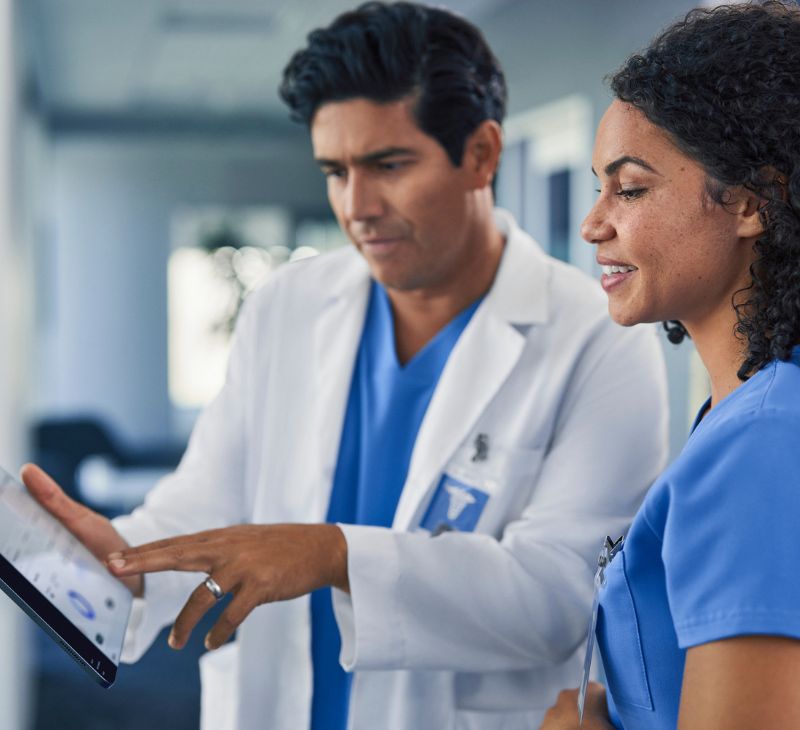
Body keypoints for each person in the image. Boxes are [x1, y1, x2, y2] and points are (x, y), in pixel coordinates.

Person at [23, 3, 668, 729]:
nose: (356, 206)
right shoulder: (286, 307)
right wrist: (128, 557)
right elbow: (207, 504)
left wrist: (333, 553)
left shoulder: (599, 340)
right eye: (335, 171)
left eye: (388, 165)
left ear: (482, 154)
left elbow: (561, 595)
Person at [541, 2, 800, 728]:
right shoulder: (749, 414)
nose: (594, 223)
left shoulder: (763, 440)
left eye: (630, 189)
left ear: (753, 201)